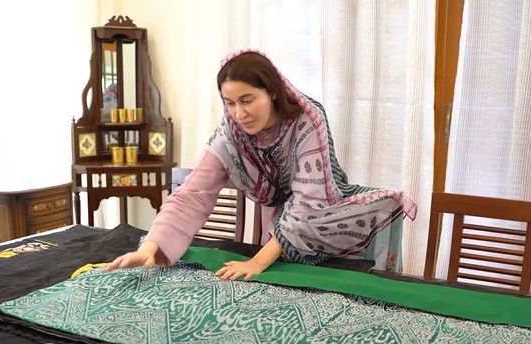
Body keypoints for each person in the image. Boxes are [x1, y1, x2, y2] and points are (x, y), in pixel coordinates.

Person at [103, 49, 417, 280]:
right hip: (283, 238)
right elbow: (193, 194)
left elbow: (308, 204)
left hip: (331, 223)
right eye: (230, 103)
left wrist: (257, 262)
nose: (239, 114)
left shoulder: (308, 121)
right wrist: (152, 246)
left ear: (273, 92)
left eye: (248, 100)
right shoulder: (230, 134)